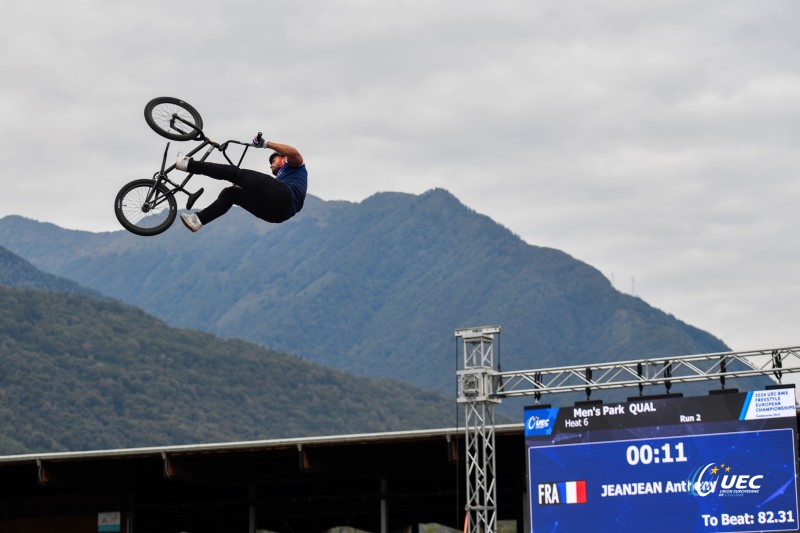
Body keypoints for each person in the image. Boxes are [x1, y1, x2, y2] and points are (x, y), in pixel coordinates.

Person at [175, 136, 307, 232]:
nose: (271, 165)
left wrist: (265, 143)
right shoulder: (282, 179)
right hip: (277, 215)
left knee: (234, 173)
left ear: (284, 157)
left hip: (285, 197)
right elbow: (264, 193)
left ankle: (187, 164)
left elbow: (294, 152)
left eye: (274, 160)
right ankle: (197, 220)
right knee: (231, 193)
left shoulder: (295, 165)